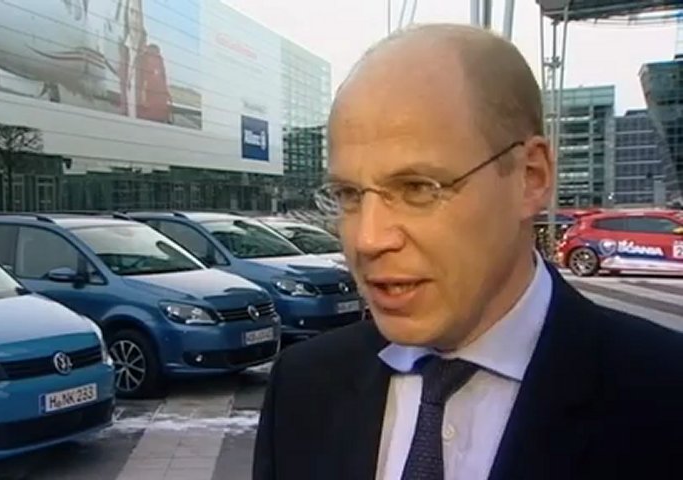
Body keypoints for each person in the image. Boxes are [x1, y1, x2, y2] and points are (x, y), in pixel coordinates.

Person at [252, 23, 683, 480]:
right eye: (349, 194)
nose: (368, 239)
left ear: (530, 177)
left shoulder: (664, 395)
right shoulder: (302, 386)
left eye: (418, 188)